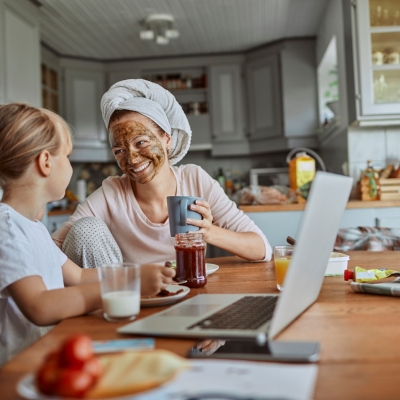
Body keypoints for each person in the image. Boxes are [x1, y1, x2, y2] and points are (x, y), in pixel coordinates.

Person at [0, 103, 175, 366]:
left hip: (49, 358)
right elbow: (39, 306)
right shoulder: (7, 228)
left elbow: (78, 276)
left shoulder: (30, 226)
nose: (70, 165)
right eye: (67, 157)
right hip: (19, 370)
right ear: (46, 162)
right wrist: (126, 286)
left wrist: (138, 273)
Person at [52, 79, 272, 268]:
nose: (132, 159)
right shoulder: (113, 192)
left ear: (167, 139)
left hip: (190, 292)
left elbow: (262, 249)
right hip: (133, 297)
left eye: (141, 142)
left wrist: (209, 232)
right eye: (119, 151)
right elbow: (55, 245)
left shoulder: (195, 180)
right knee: (85, 229)